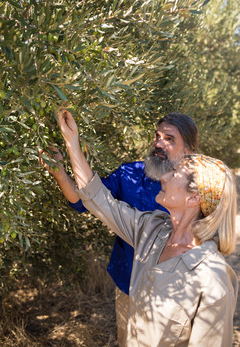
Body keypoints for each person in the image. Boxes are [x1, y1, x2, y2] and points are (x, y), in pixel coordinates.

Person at [56, 109, 238, 346]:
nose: (163, 177)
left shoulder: (212, 279)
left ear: (194, 198)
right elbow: (97, 198)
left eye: (174, 175)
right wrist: (72, 142)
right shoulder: (151, 230)